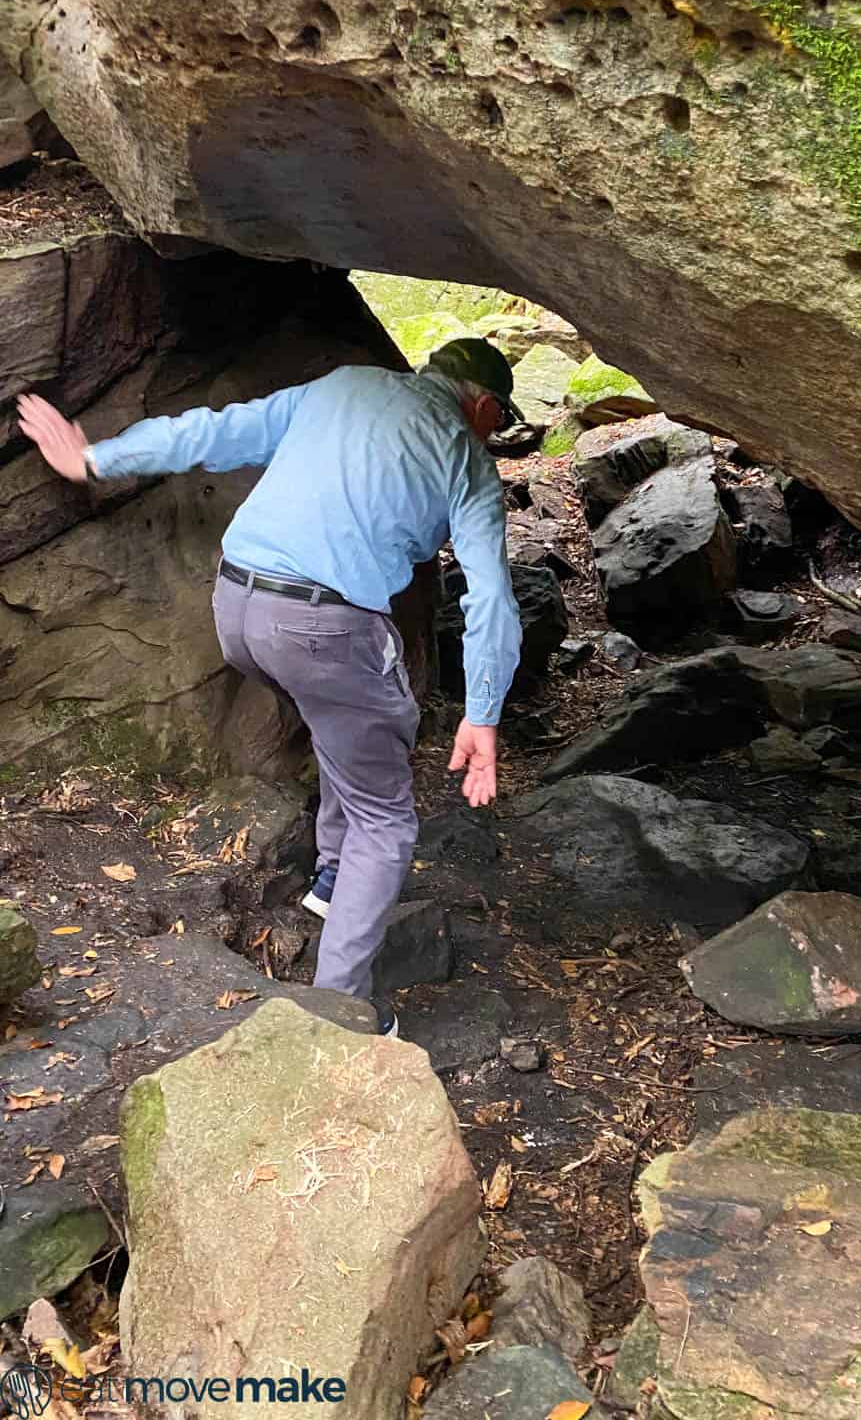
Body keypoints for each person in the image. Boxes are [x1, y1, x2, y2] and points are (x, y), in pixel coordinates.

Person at [17, 338, 524, 1037]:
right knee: (387, 814)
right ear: (483, 405)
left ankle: (328, 885)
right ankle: (339, 1015)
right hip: (323, 626)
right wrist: (484, 713)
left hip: (238, 609)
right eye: (499, 421)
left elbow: (216, 431)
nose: (493, 433)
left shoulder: (342, 386)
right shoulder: (465, 456)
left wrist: (96, 457)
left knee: (358, 725)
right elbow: (492, 596)